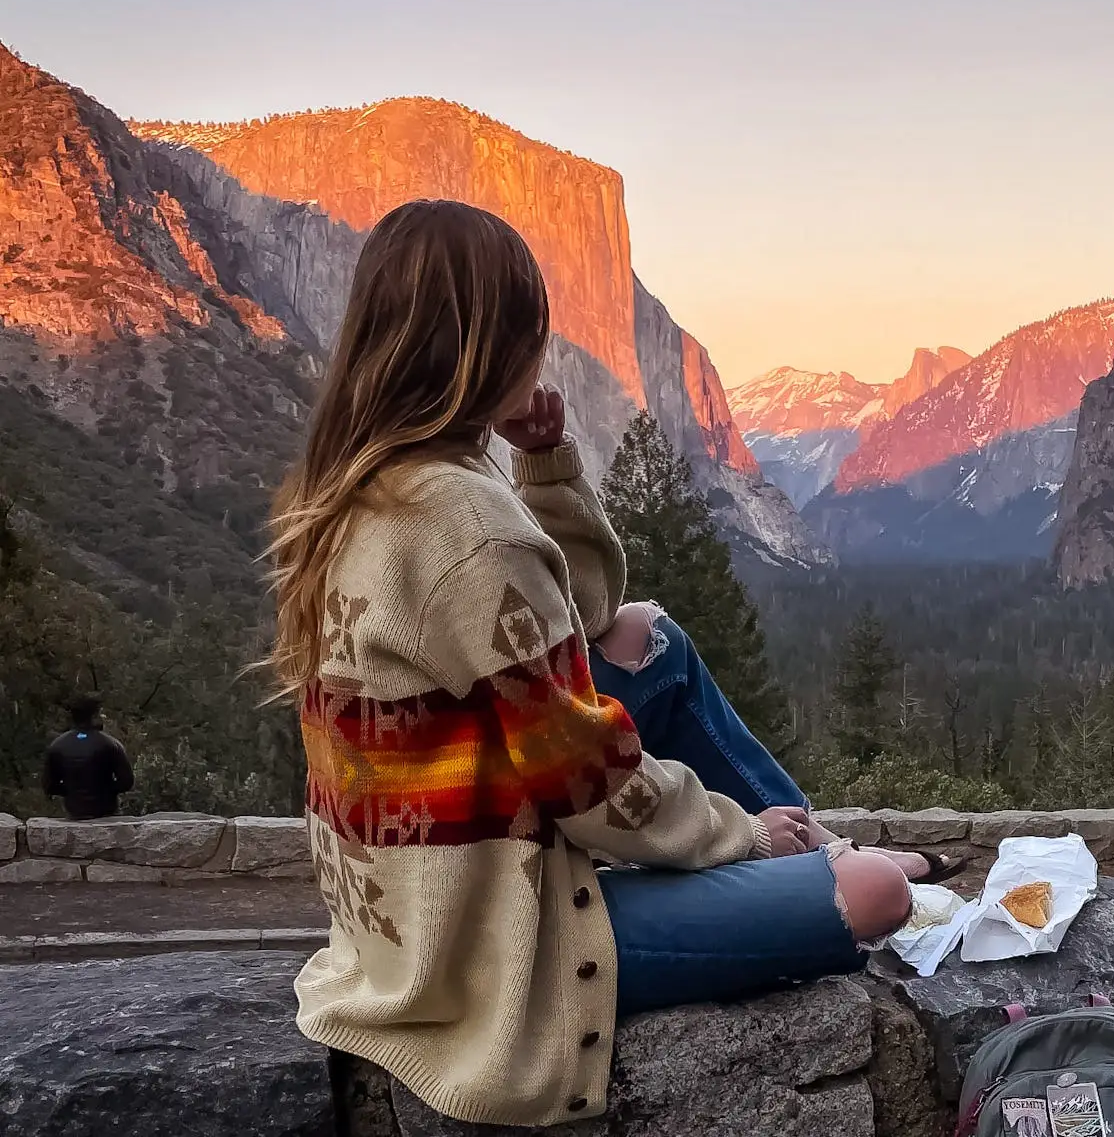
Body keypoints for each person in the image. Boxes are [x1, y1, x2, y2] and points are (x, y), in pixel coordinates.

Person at [266, 200, 945, 1130]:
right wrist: (741, 834)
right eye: (532, 332)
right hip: (495, 942)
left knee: (644, 634)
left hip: (404, 910)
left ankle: (815, 845)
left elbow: (576, 618)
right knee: (878, 895)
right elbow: (586, 784)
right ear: (492, 346)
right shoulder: (467, 529)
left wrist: (546, 468)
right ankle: (827, 856)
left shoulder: (359, 487)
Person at [42, 697, 134, 820]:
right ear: (94, 716)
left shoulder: (57, 745)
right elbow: (126, 782)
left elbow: (49, 786)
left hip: (75, 813)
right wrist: (105, 791)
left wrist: (71, 791)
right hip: (107, 812)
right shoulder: (110, 744)